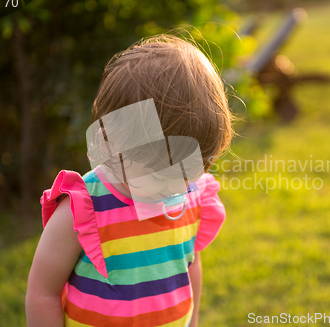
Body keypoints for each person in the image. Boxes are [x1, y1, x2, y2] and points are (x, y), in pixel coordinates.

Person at [25, 34, 234, 327]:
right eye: (158, 174)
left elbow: (189, 263)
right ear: (109, 142)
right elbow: (42, 293)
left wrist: (193, 320)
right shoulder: (83, 209)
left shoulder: (192, 196)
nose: (174, 188)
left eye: (186, 173)